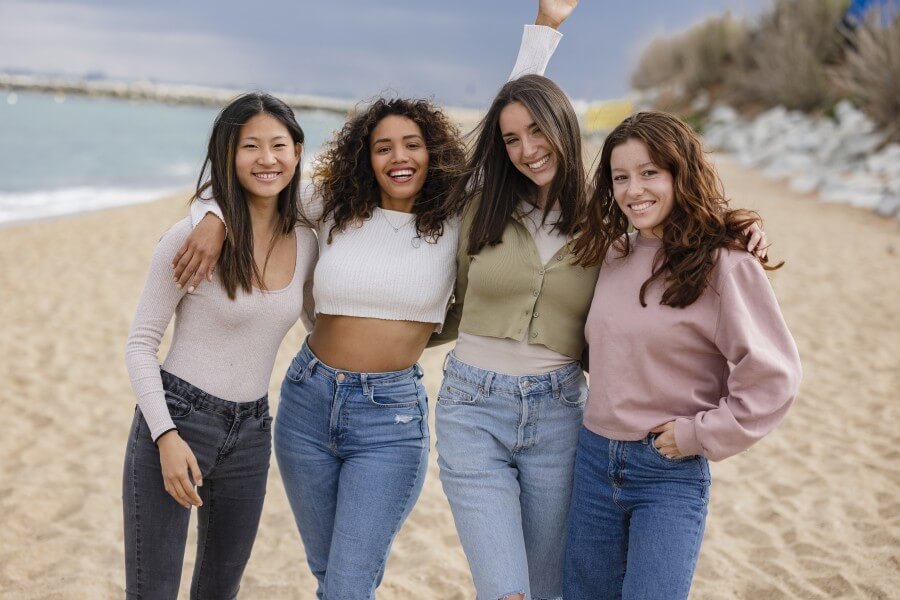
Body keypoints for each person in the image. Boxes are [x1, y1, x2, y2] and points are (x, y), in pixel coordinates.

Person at [171, 5, 572, 597]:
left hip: (390, 418)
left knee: (347, 583)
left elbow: (499, 128)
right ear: (367, 157)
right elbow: (259, 178)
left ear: (433, 151)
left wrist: (546, 25)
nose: (398, 157)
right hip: (308, 402)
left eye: (412, 144)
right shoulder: (333, 206)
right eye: (383, 147)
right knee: (330, 573)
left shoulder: (457, 214)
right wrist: (209, 217)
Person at [564, 111, 802, 600]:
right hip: (590, 461)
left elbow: (773, 377)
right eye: (621, 177)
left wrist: (699, 433)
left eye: (650, 172)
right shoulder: (609, 254)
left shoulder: (726, 263)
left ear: (680, 173)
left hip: (666, 471)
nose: (634, 190)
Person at [122, 92, 316, 599]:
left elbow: (320, 325)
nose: (266, 159)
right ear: (228, 154)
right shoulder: (189, 237)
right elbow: (140, 344)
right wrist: (164, 437)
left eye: (278, 145)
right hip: (177, 418)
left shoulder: (309, 240)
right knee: (153, 591)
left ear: (297, 152)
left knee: (219, 590)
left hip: (253, 432)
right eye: (250, 146)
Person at [428, 73, 596, 600]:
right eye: (510, 139)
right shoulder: (480, 206)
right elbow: (447, 302)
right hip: (471, 408)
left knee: (548, 588)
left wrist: (742, 231)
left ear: (562, 126)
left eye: (537, 131)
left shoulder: (606, 219)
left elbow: (676, 225)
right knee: (506, 590)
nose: (526, 150)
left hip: (560, 414)